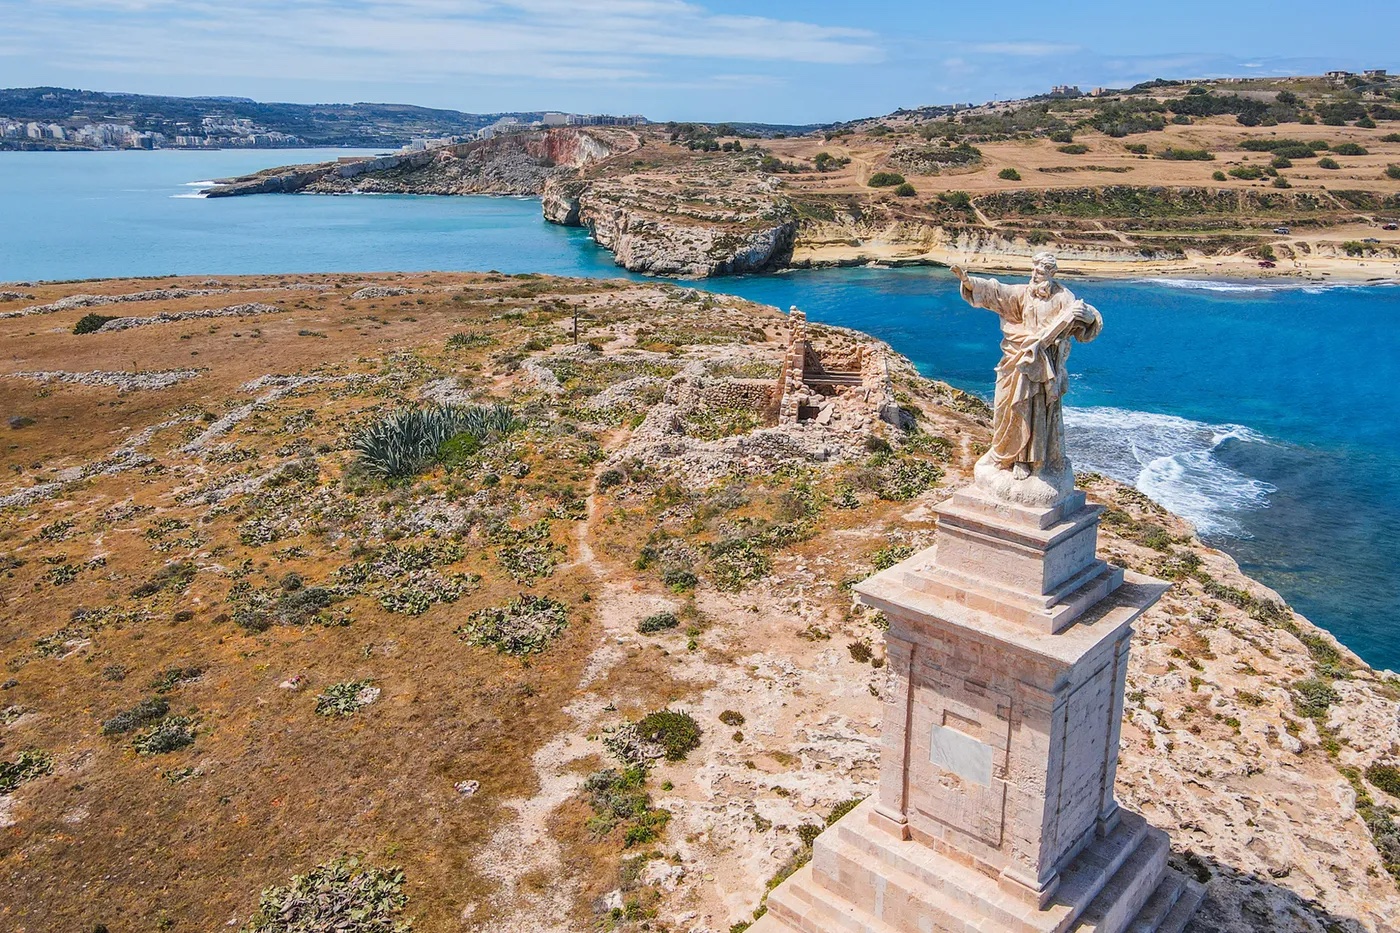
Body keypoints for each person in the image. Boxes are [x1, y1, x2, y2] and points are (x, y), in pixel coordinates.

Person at [950, 252, 1101, 487]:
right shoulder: (1024, 293)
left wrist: (1090, 318)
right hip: (1018, 358)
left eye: (1039, 271)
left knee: (1037, 412)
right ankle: (1009, 454)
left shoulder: (1064, 297)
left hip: (1045, 365)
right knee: (1009, 407)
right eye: (1033, 270)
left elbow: (1084, 320)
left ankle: (1031, 461)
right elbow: (997, 292)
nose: (1034, 274)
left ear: (1051, 274)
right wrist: (969, 282)